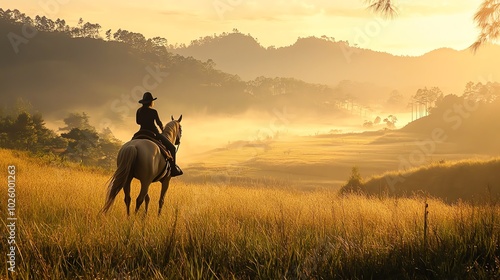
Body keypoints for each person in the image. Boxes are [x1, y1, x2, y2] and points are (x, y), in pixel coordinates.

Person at [136, 92, 182, 177]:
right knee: (172, 148)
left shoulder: (139, 111)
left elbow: (138, 122)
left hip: (141, 132)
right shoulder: (153, 111)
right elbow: (158, 123)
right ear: (151, 102)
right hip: (153, 133)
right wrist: (162, 129)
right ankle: (173, 169)